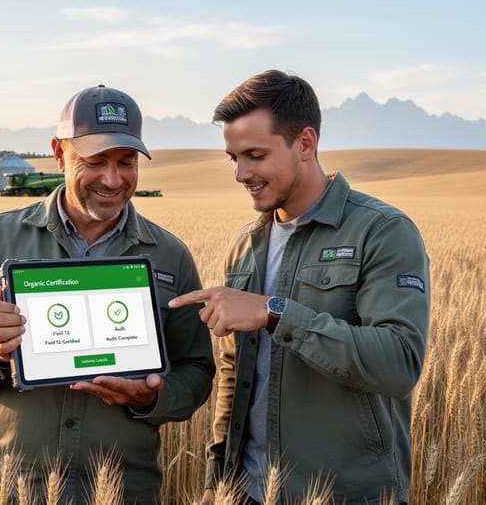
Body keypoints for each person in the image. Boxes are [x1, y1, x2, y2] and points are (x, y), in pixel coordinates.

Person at [0, 85, 215, 504]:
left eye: (127, 162)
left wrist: (154, 396)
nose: (113, 179)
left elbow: (196, 370)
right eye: (95, 161)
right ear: (59, 155)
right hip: (10, 487)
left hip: (121, 490)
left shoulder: (171, 256)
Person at [169, 70, 431, 504]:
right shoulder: (244, 246)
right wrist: (217, 477)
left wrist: (276, 313)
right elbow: (236, 372)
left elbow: (399, 363)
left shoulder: (382, 232)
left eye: (255, 155)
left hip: (345, 495)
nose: (240, 173)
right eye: (233, 158)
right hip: (247, 491)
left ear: (305, 144)